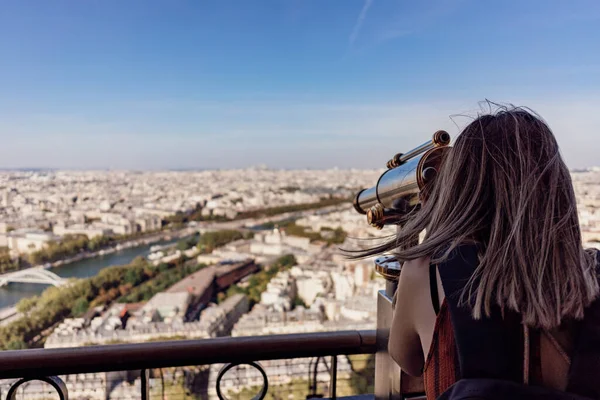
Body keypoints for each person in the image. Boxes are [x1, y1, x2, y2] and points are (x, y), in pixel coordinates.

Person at [370, 105, 600, 399]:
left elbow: (407, 359)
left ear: (459, 186)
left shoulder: (427, 271)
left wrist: (429, 230)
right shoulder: (591, 275)